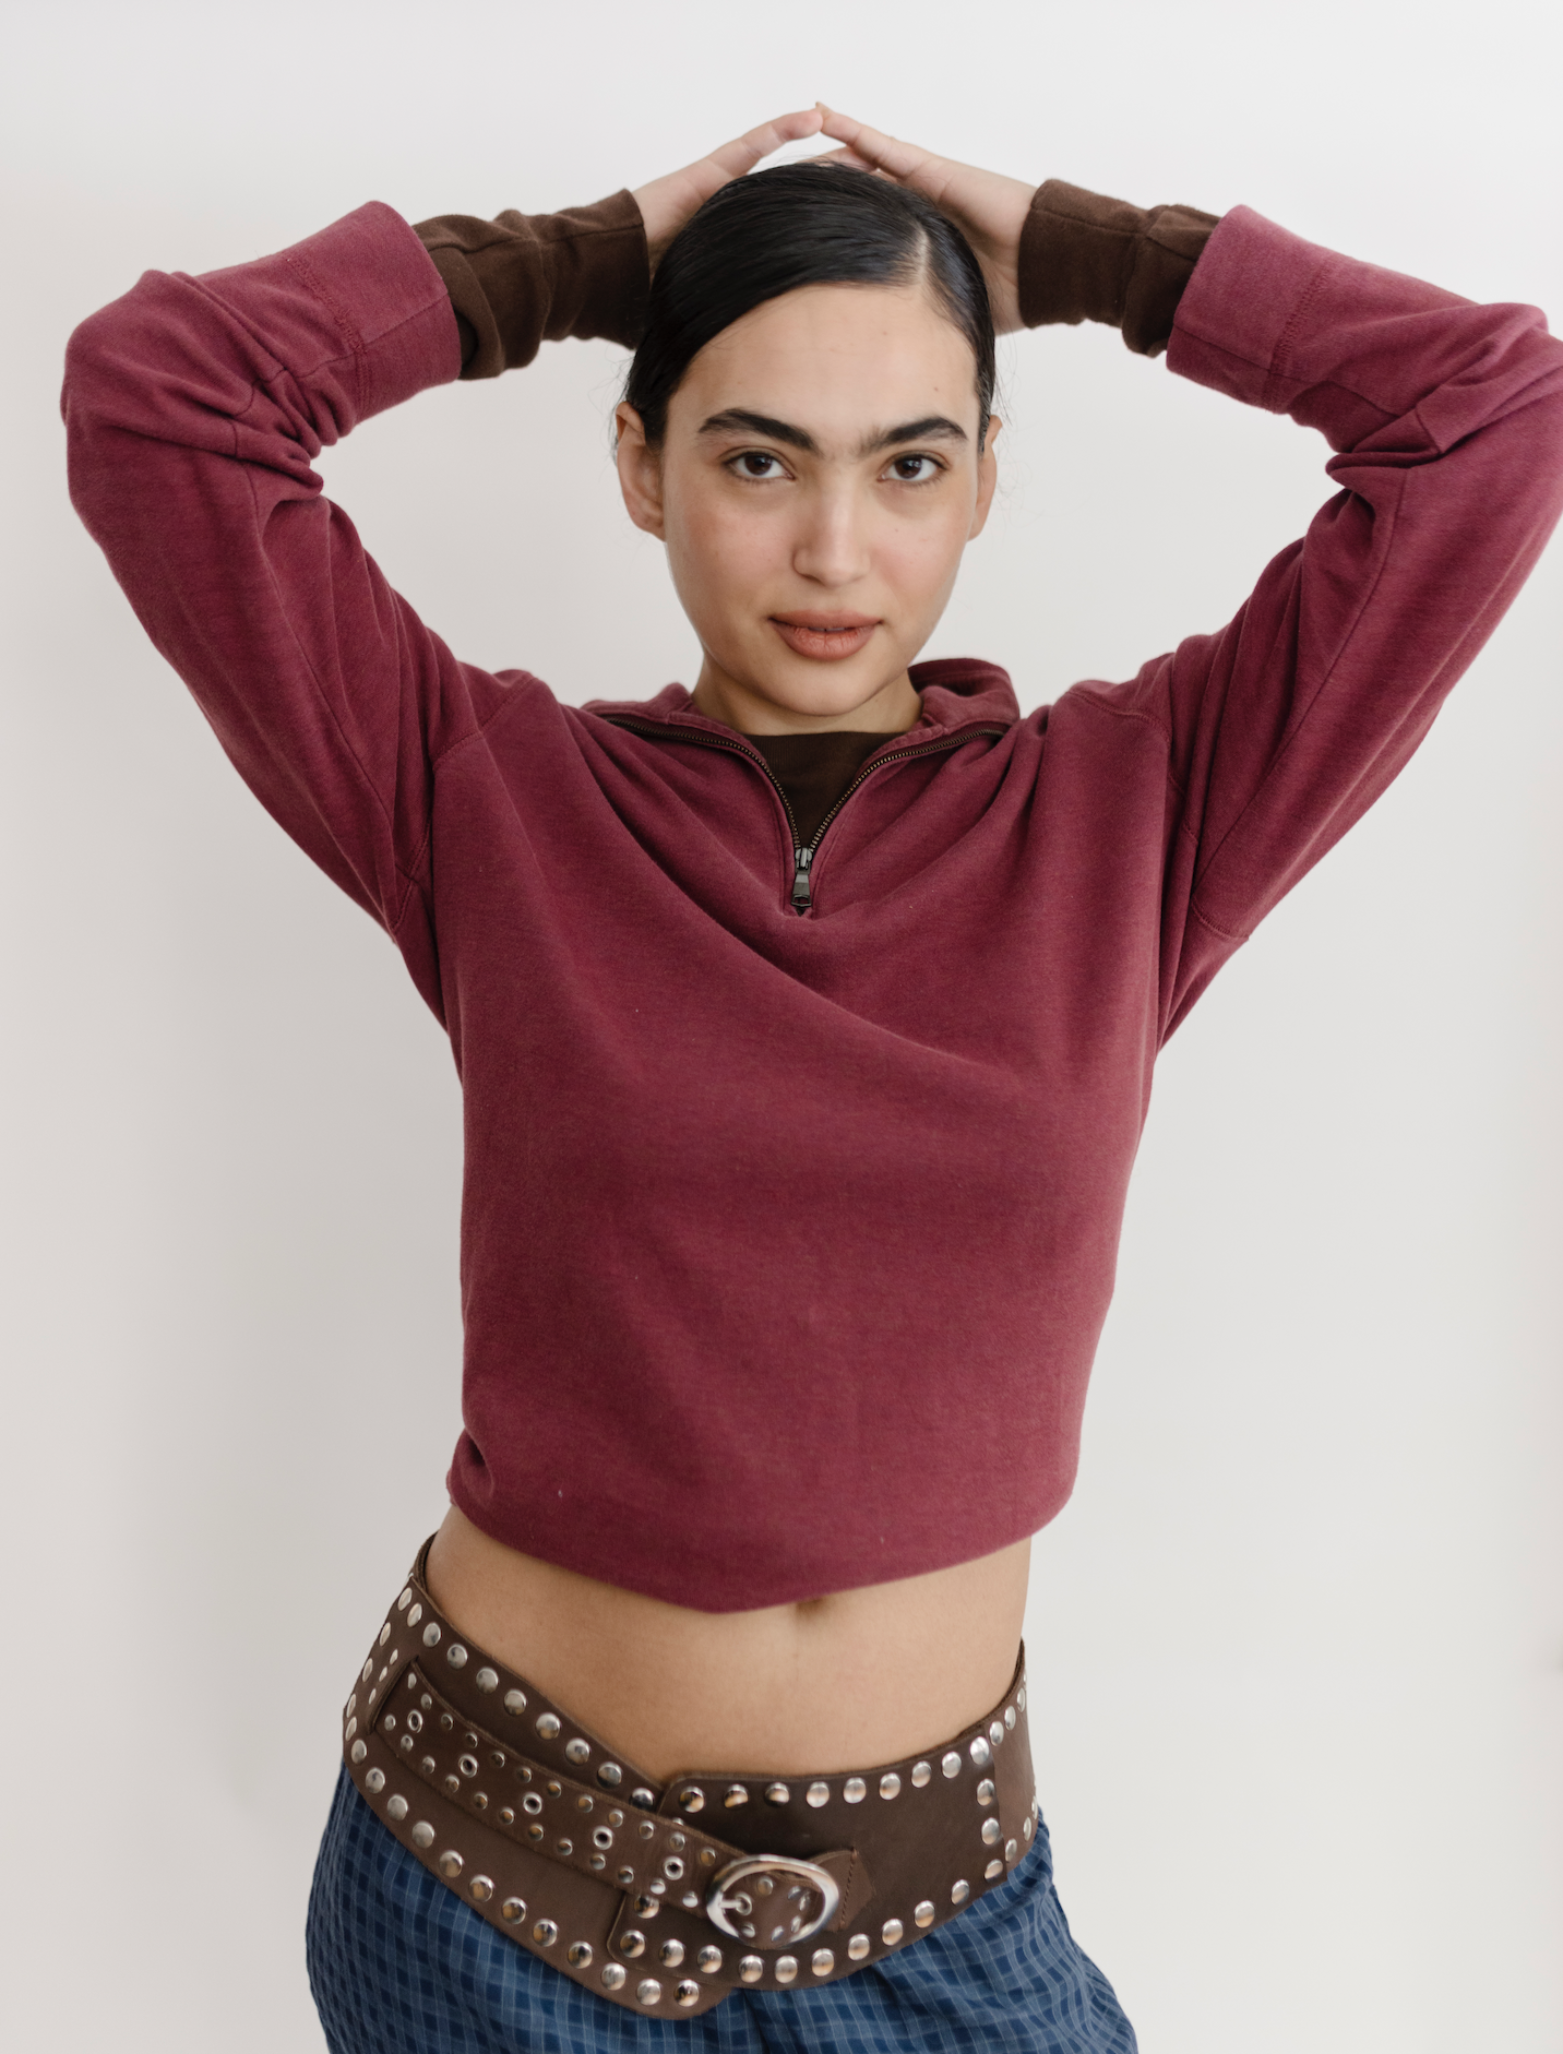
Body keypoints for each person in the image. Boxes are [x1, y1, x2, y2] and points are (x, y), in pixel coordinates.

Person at [62, 103, 1563, 2054]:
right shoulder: (489, 797)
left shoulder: (1143, 809)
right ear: (642, 463)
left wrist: (1091, 258)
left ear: (984, 480)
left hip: (941, 1923)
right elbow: (163, 397)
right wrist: (583, 261)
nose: (834, 549)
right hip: (485, 1894)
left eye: (908, 462)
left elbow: (1490, 411)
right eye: (756, 457)